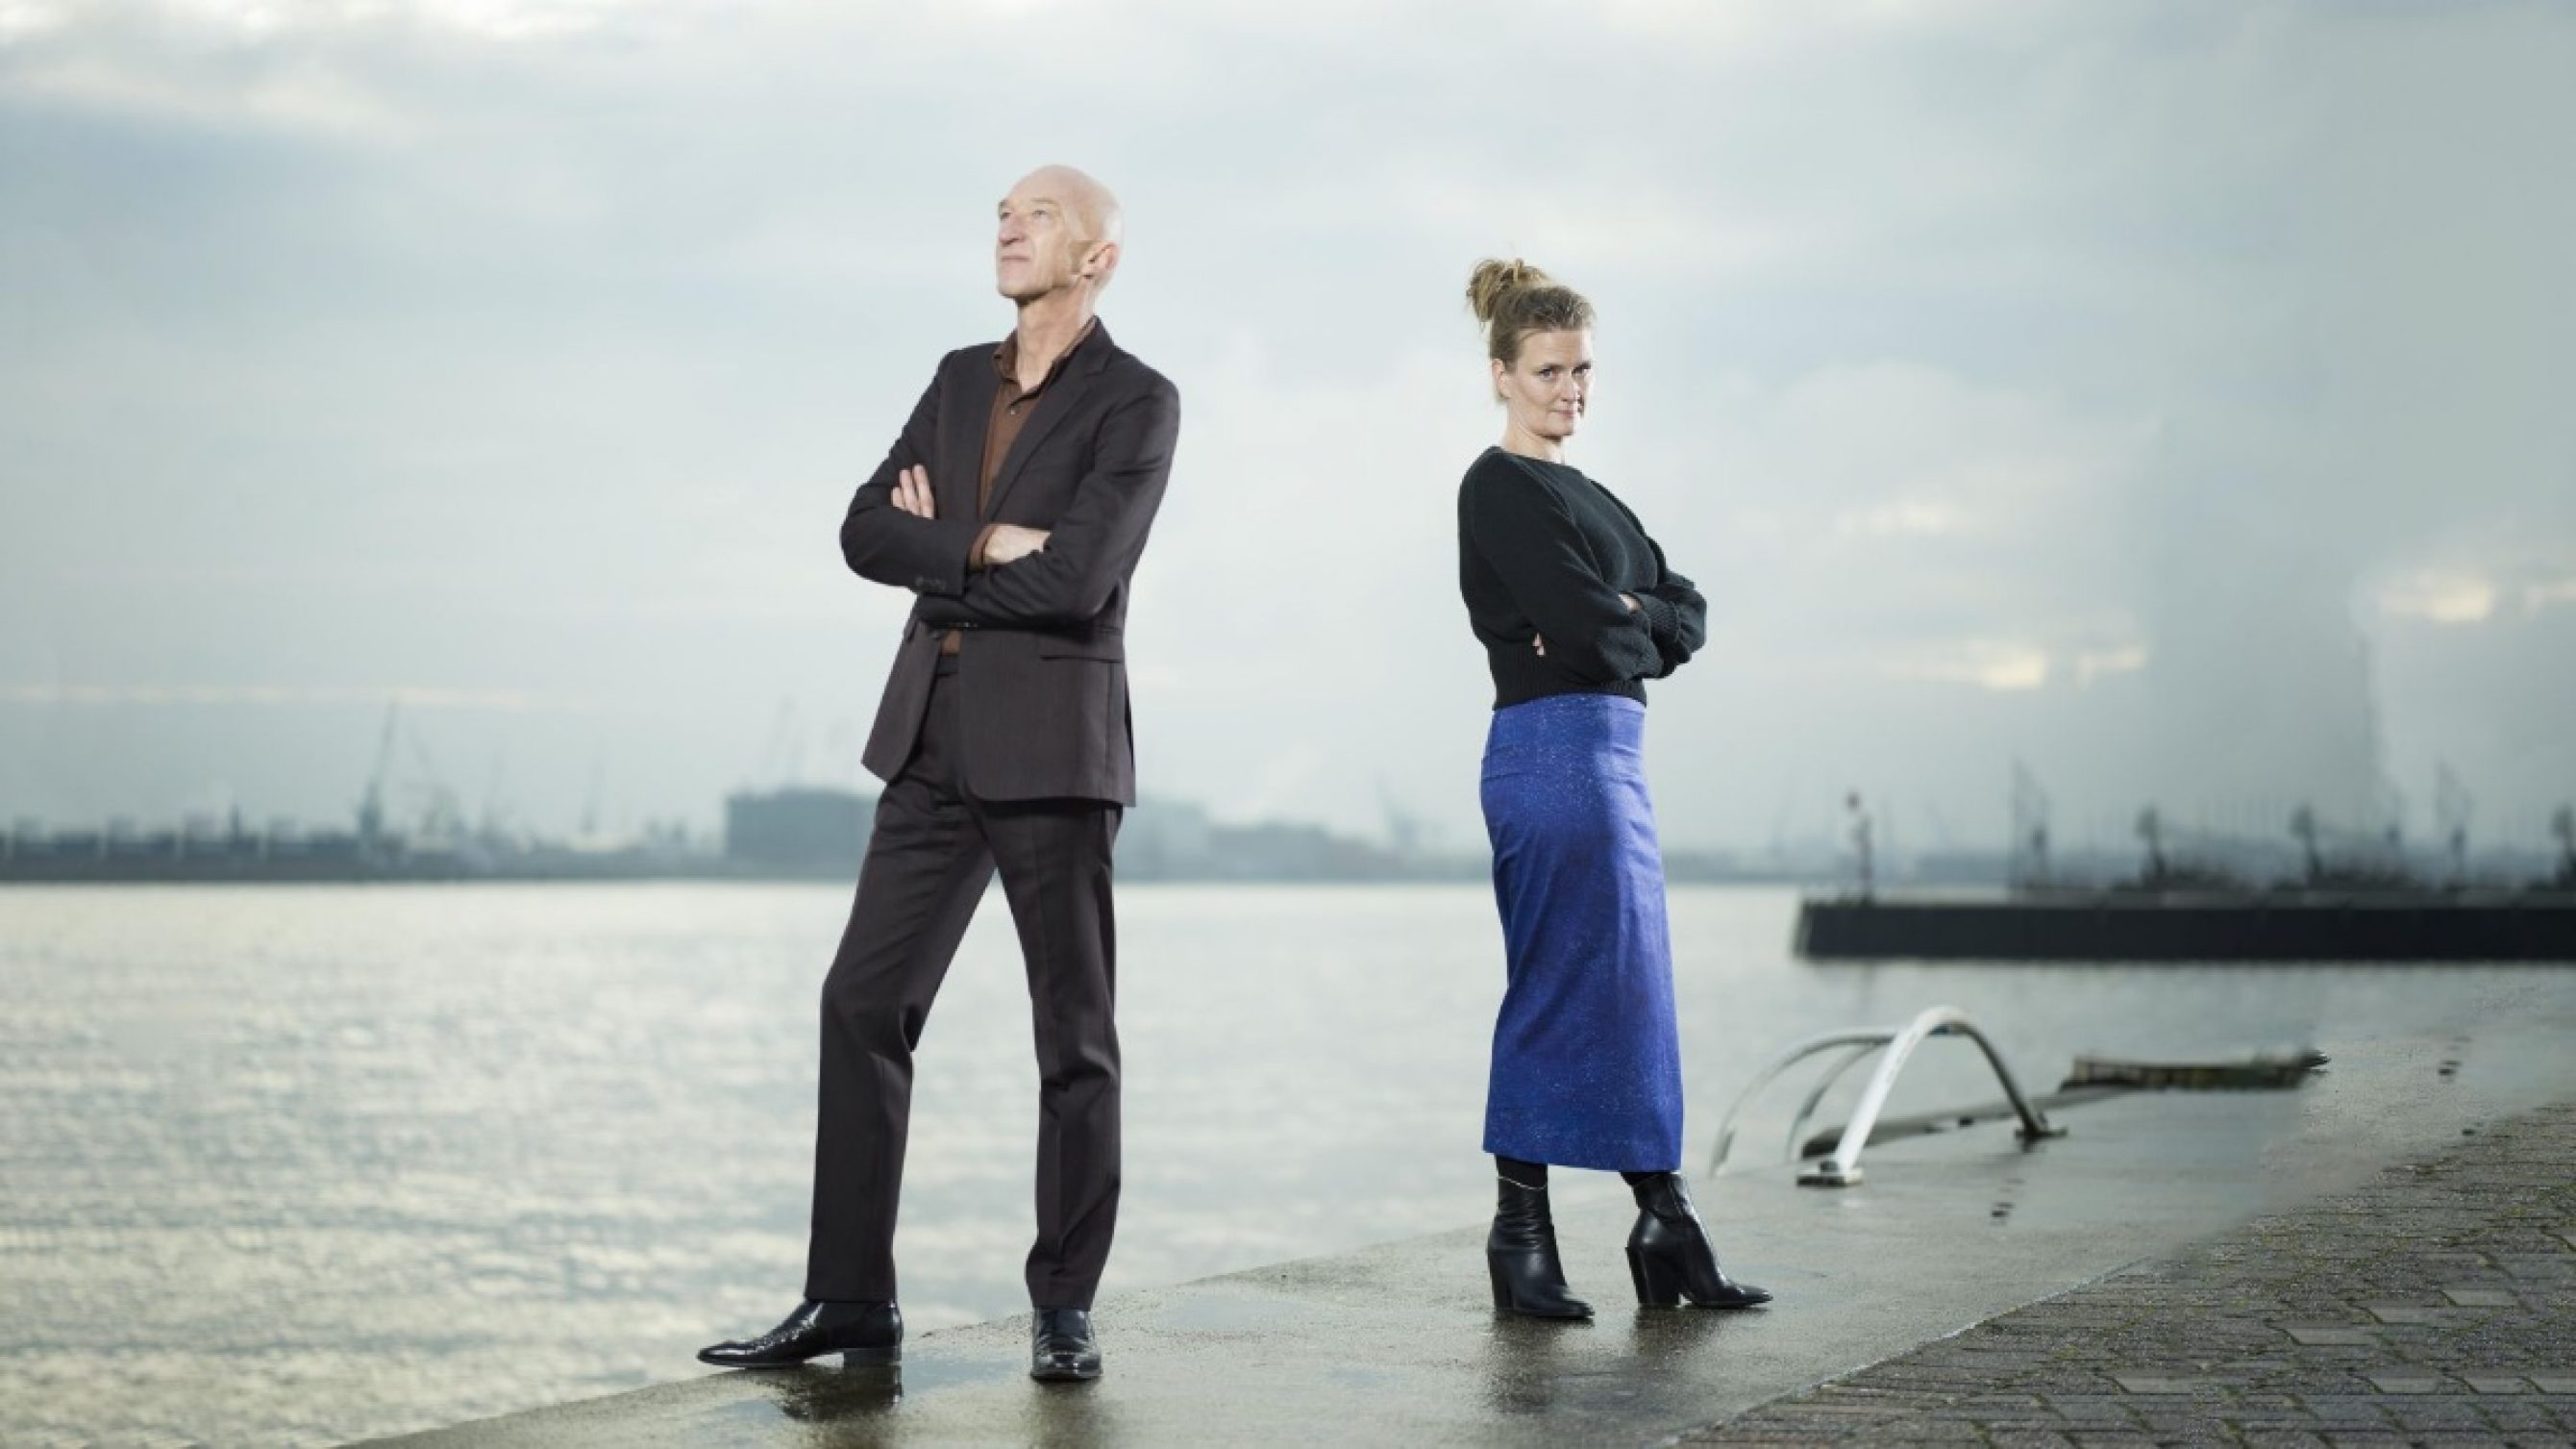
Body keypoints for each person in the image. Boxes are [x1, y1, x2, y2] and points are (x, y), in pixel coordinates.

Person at [699, 165, 1180, 1383]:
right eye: (1003, 212)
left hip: (1054, 748)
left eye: (1040, 214)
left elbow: (1081, 578)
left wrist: (942, 557)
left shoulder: (1138, 401)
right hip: (930, 734)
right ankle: (851, 1297)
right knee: (861, 1003)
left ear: (1098, 257)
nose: (1010, 225)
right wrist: (982, 541)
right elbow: (865, 528)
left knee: (1072, 1037)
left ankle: (1063, 1306)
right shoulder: (959, 377)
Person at [1455, 258, 1770, 1319]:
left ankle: (1664, 1221)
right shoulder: (1497, 488)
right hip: (1550, 755)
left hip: (1614, 758)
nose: (1569, 389)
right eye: (1547, 370)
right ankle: (1520, 1237)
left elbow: (1685, 611)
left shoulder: (1593, 497)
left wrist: (1632, 616)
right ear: (1502, 374)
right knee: (1554, 985)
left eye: (1582, 369)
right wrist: (1625, 620)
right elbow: (1594, 631)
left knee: (1635, 987)